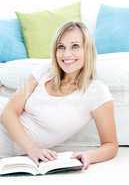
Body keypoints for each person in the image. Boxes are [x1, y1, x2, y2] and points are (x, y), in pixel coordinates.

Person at [0, 21, 118, 170]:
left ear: (87, 49)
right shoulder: (46, 70)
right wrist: (32, 149)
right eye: (61, 47)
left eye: (75, 46)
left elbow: (110, 145)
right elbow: (8, 112)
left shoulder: (97, 92)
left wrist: (88, 156)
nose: (66, 54)